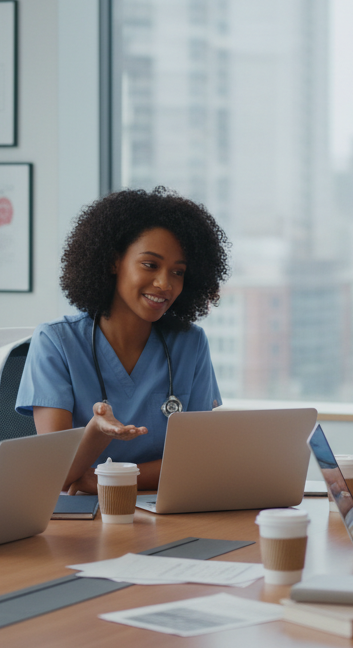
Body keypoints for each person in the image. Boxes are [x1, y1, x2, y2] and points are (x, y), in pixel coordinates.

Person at [17, 187, 229, 494]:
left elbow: (196, 460)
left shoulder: (190, 344)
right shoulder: (56, 342)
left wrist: (100, 479)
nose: (164, 283)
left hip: (164, 512)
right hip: (82, 522)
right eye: (150, 265)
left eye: (178, 272)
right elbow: (55, 474)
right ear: (114, 261)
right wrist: (96, 432)